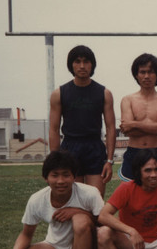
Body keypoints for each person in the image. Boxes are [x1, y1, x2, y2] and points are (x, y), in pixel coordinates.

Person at [8, 150, 104, 249]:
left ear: (74, 176)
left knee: (80, 220)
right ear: (45, 178)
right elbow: (26, 234)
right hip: (55, 246)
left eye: (66, 175)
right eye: (55, 175)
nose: (60, 181)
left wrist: (78, 212)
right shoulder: (37, 199)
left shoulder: (90, 193)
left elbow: (104, 224)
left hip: (84, 246)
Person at [49, 45, 116, 197]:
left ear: (92, 65)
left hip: (94, 148)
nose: (82, 66)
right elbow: (53, 129)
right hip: (69, 149)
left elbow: (111, 128)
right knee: (72, 199)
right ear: (71, 65)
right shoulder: (59, 93)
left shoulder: (104, 93)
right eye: (77, 61)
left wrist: (109, 160)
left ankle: (94, 221)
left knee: (95, 200)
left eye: (86, 62)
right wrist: (55, 161)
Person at [118, 53, 157, 181]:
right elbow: (128, 130)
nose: (146, 76)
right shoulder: (128, 100)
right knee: (131, 195)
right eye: (142, 72)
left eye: (151, 72)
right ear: (136, 75)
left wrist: (134, 124)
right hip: (134, 152)